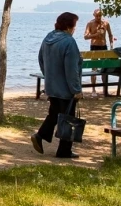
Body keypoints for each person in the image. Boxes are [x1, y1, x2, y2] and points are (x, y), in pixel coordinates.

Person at [31, 12, 83, 159]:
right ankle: (64, 151)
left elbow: (41, 60)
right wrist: (76, 90)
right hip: (66, 89)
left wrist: (48, 77)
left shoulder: (48, 38)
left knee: (54, 114)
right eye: (74, 25)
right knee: (67, 118)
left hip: (51, 86)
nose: (75, 29)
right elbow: (71, 69)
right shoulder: (69, 42)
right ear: (69, 27)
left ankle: (40, 136)